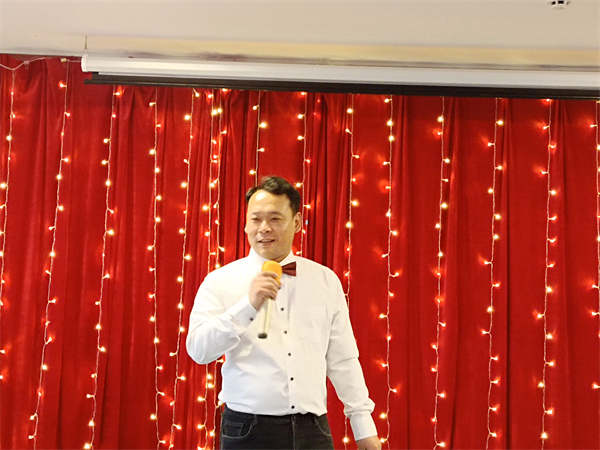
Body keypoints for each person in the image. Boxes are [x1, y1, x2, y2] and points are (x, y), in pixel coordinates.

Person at [186, 176, 381, 450]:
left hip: (313, 430)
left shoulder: (325, 280)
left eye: (275, 219)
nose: (264, 228)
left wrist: (363, 426)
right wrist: (247, 306)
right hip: (248, 430)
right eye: (256, 219)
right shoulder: (220, 281)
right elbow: (199, 350)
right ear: (246, 224)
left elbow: (343, 358)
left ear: (297, 222)